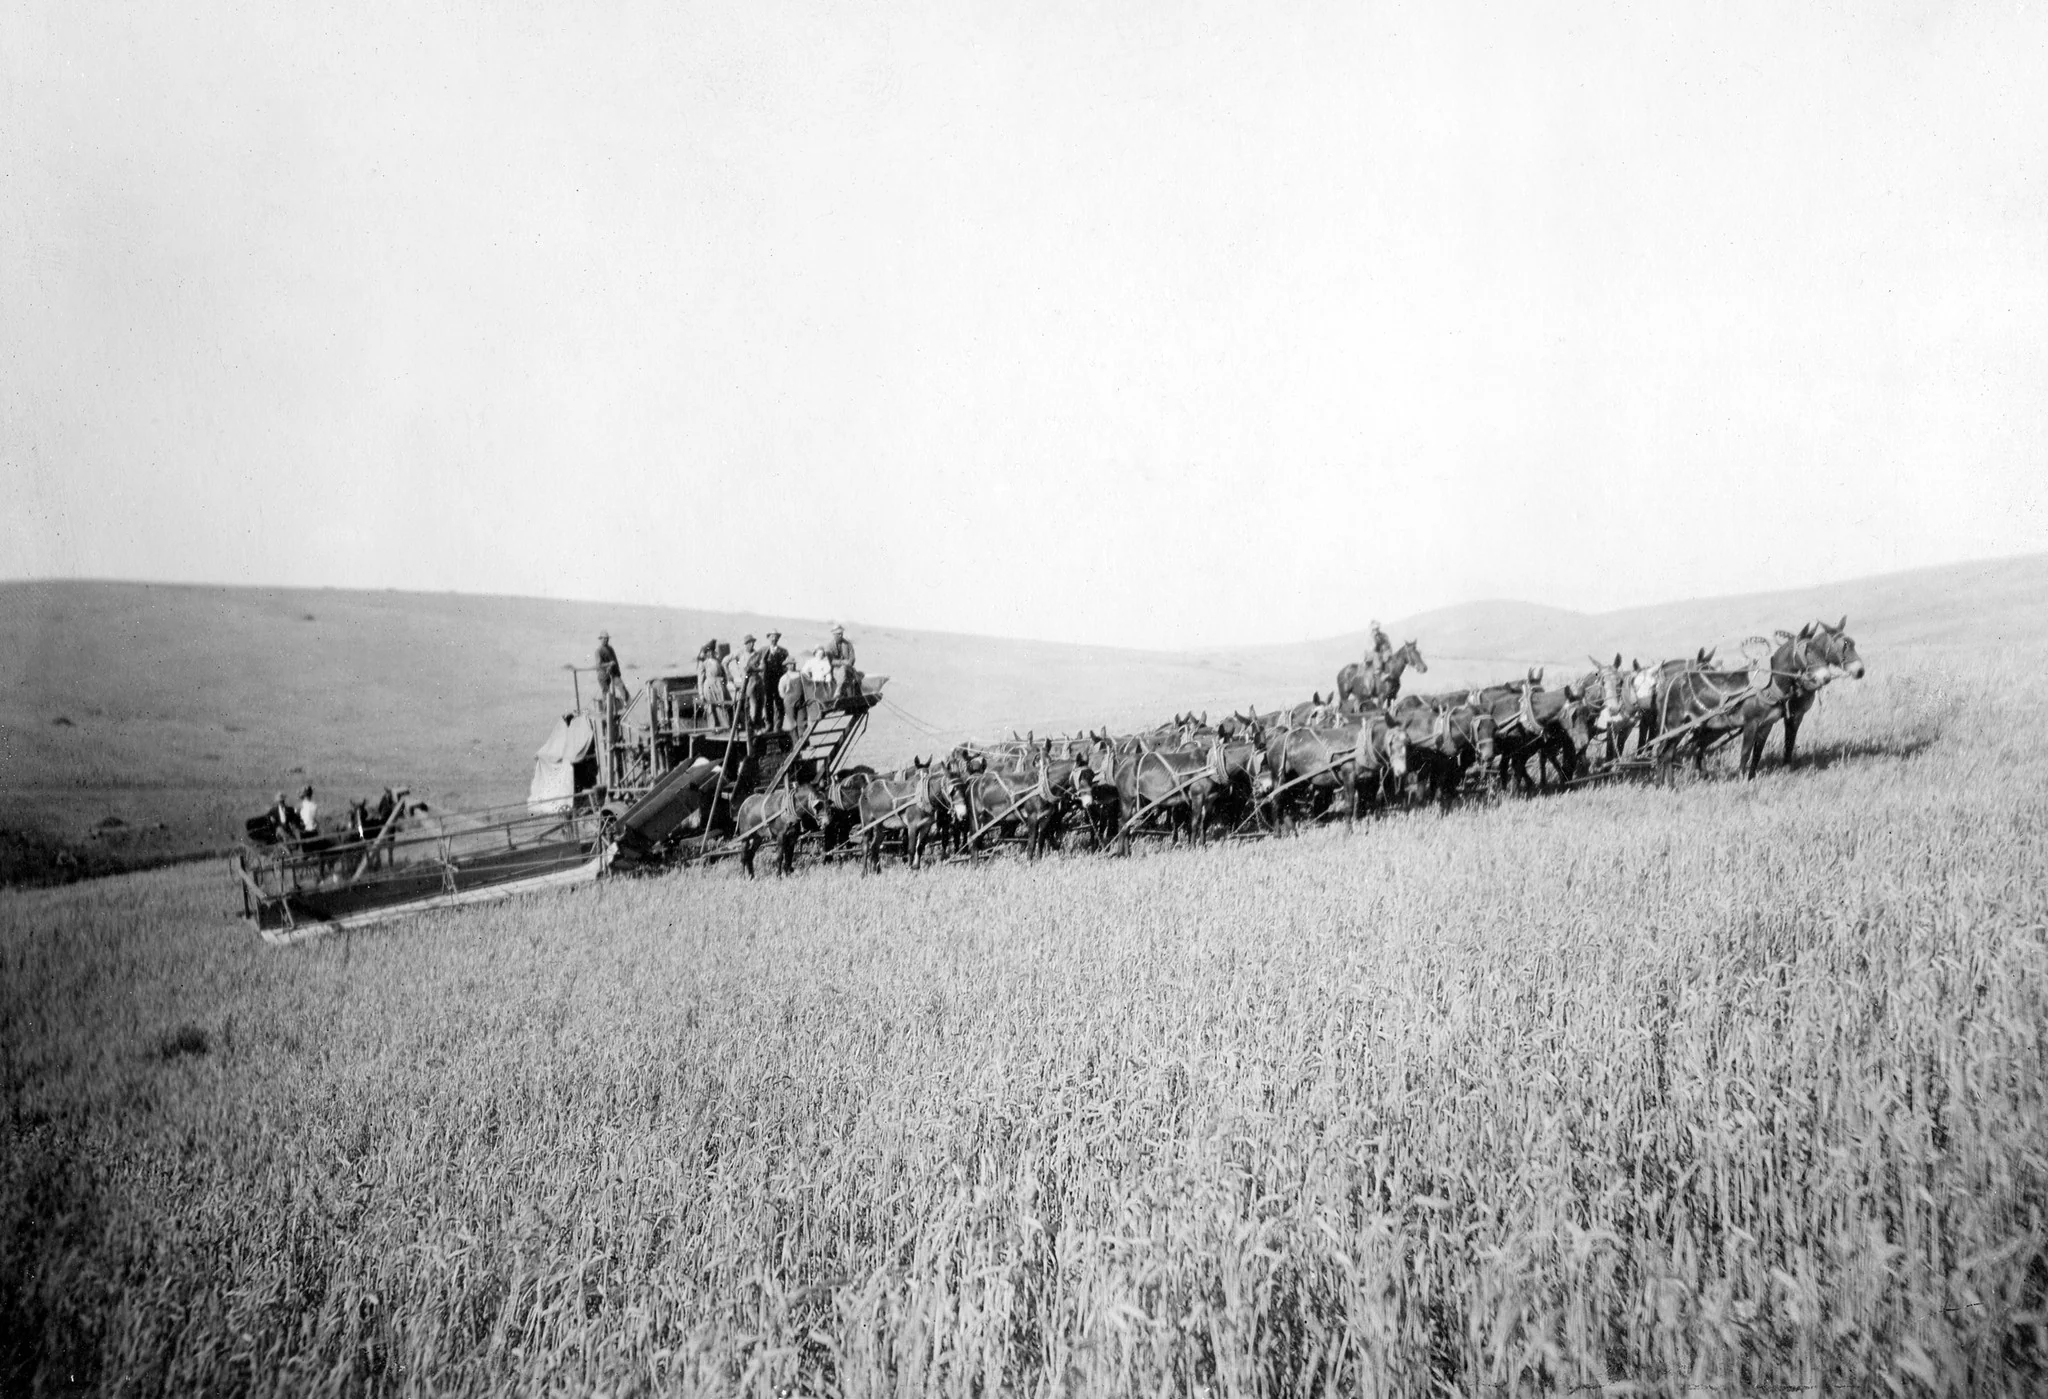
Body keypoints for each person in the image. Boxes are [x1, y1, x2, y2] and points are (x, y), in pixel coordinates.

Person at [760, 630, 791, 730]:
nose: (774, 639)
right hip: (767, 681)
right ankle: (769, 724)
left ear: (778, 638)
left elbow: (788, 665)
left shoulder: (784, 651)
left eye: (775, 637)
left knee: (779, 702)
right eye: (772, 637)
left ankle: (778, 724)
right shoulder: (763, 650)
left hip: (779, 680)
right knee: (767, 703)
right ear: (768, 638)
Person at [595, 631, 624, 712]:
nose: (605, 640)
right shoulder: (599, 651)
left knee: (611, 692)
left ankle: (611, 710)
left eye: (607, 639)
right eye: (604, 639)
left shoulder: (610, 649)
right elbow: (599, 664)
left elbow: (615, 660)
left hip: (610, 674)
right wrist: (609, 664)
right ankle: (606, 711)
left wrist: (617, 671)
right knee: (606, 693)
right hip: (602, 675)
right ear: (600, 639)